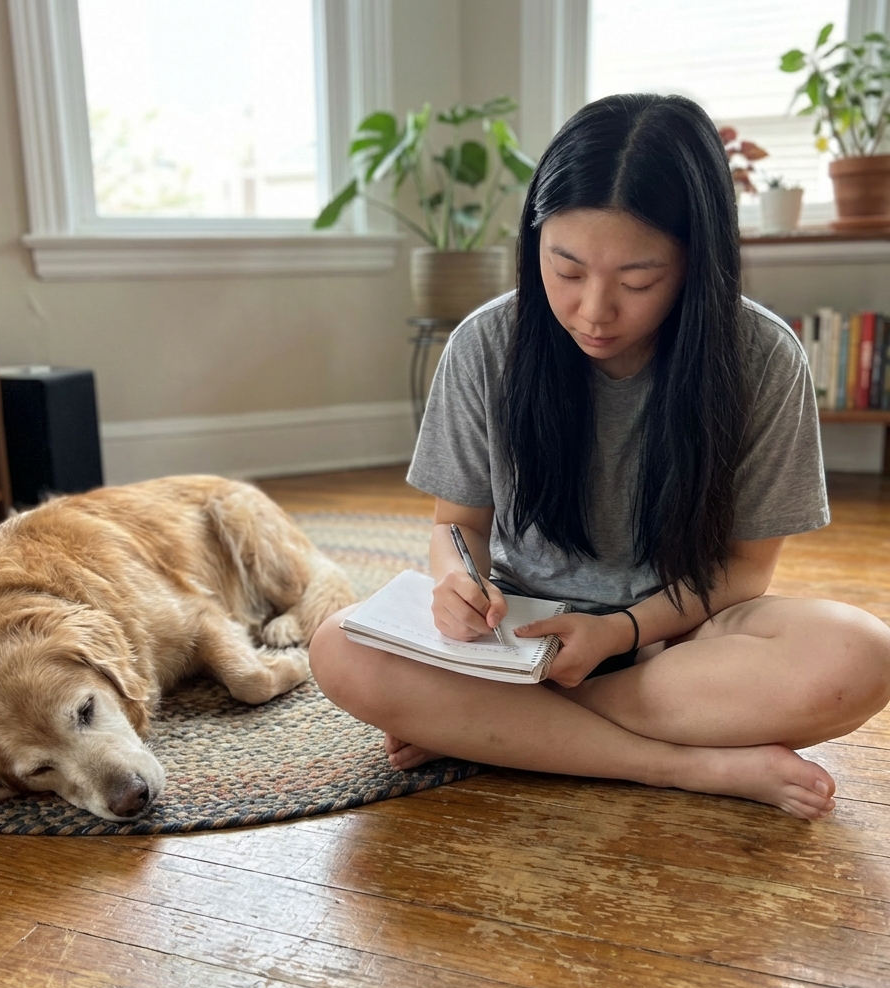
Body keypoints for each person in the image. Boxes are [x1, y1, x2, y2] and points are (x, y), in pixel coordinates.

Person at [309, 94, 890, 819]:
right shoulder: (488, 343)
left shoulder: (762, 358)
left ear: (696, 262)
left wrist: (620, 631)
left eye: (638, 280)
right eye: (566, 269)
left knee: (860, 658)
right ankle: (682, 767)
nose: (593, 311)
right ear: (534, 242)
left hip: (676, 644)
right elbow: (455, 525)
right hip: (521, 636)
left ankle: (506, 731)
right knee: (337, 648)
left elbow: (744, 571)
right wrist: (457, 576)